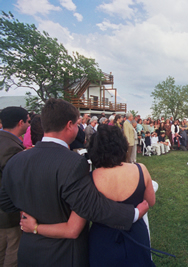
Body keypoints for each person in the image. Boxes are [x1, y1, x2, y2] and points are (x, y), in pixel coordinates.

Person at [0, 98, 149, 266]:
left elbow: (6, 203)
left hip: (29, 250)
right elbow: (90, 205)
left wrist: (30, 218)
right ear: (69, 125)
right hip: (64, 254)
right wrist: (133, 214)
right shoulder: (73, 163)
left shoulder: (16, 160)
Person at [20, 125, 156, 266]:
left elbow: (72, 228)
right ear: (122, 146)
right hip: (136, 233)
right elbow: (150, 201)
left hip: (103, 240)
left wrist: (35, 227)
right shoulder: (140, 169)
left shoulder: (89, 179)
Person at [0, 106, 30, 266]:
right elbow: (15, 181)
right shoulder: (11, 147)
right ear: (21, 122)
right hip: (7, 214)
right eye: (28, 121)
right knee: (12, 251)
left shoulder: (6, 142)